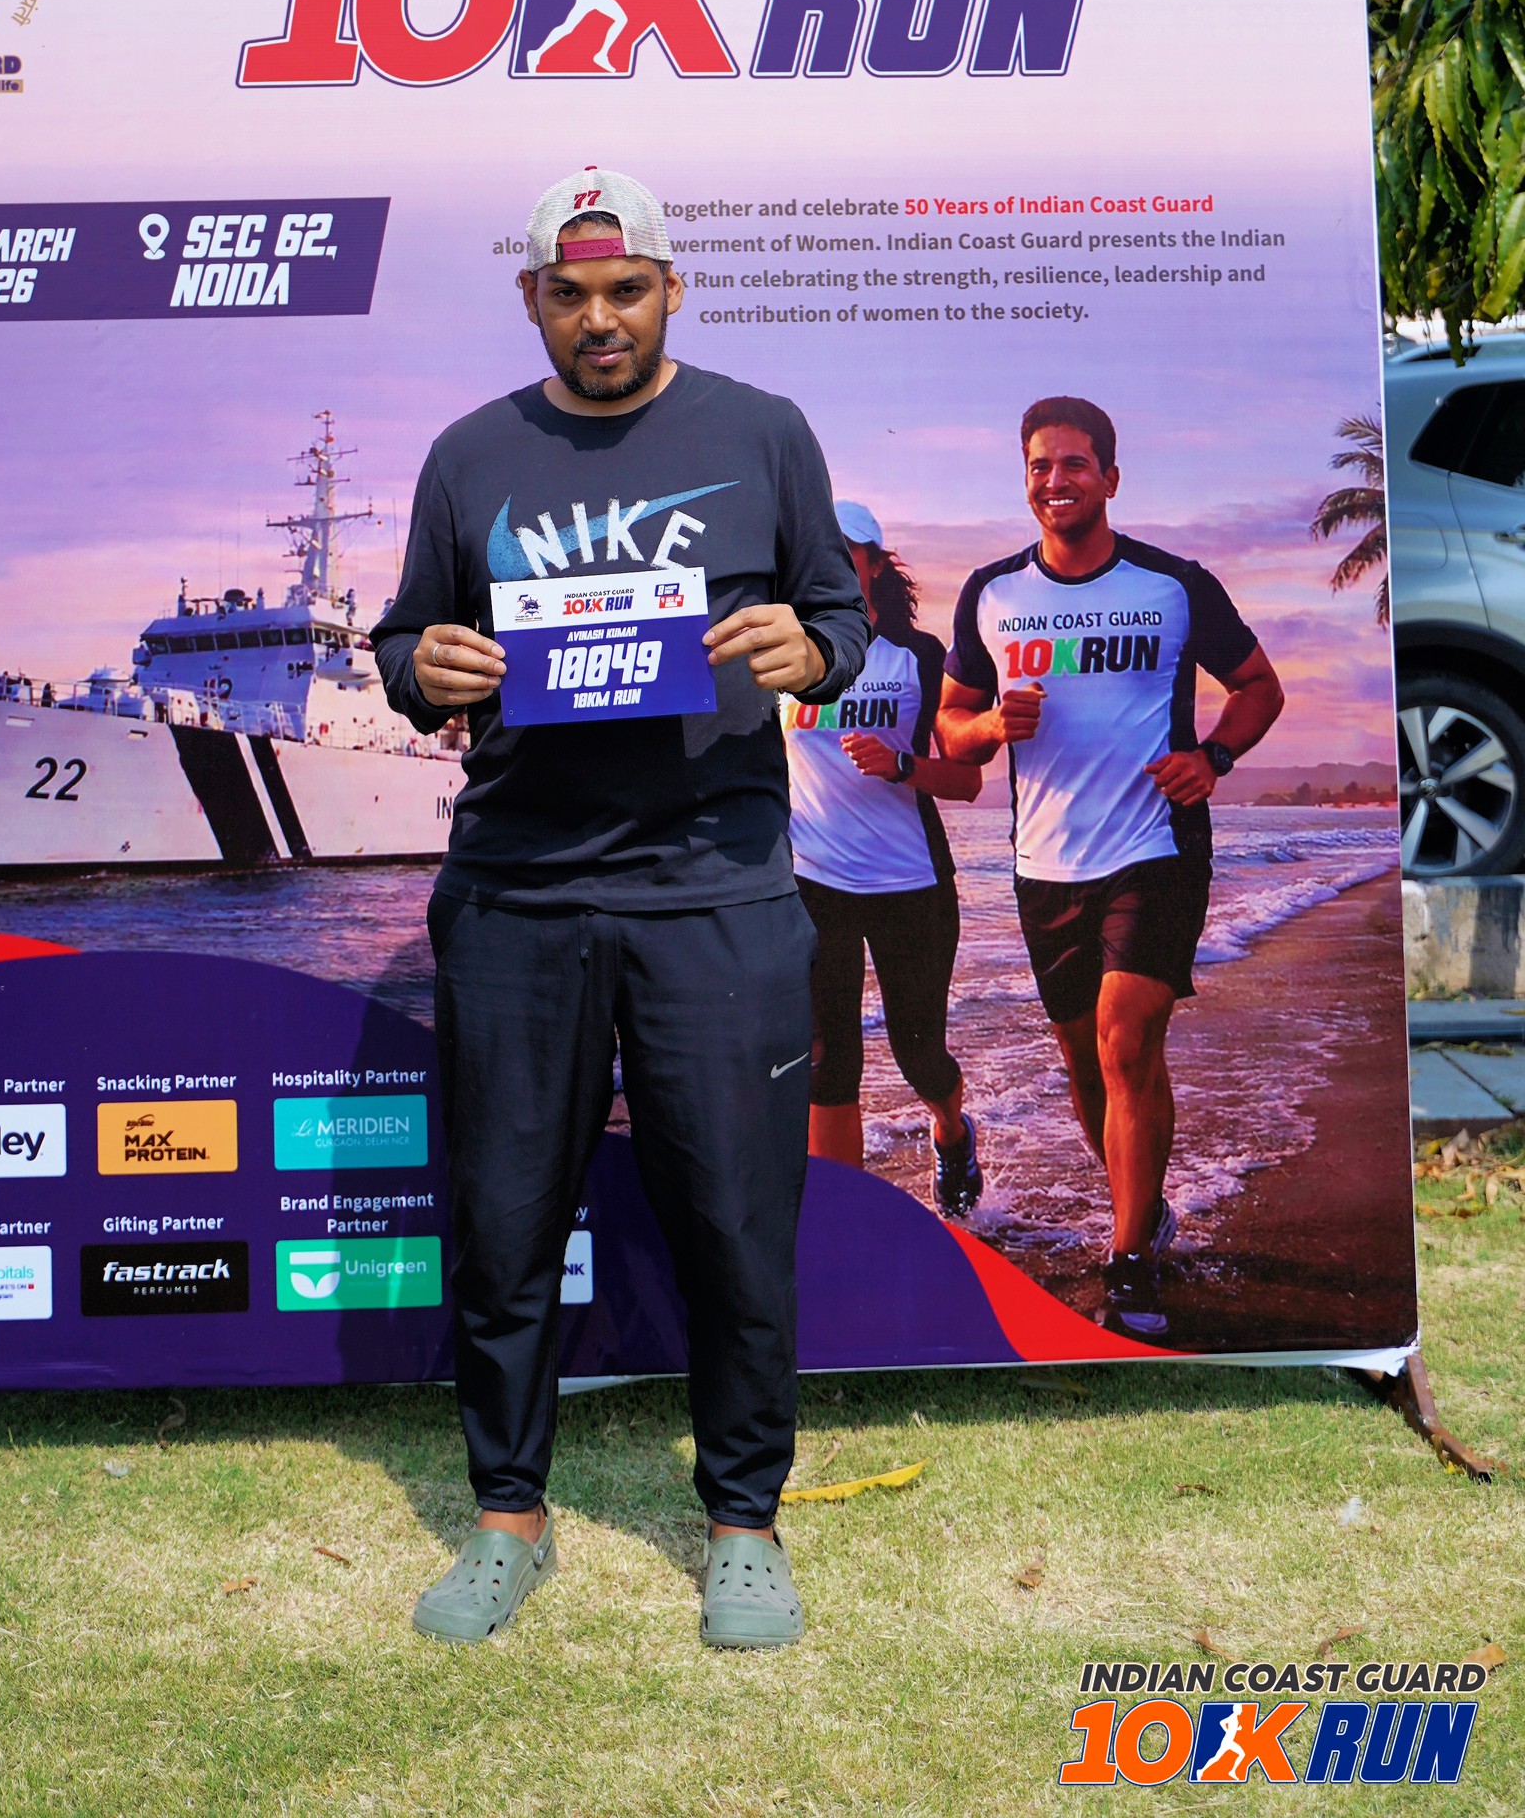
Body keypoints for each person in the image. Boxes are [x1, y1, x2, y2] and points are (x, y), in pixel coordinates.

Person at [374, 163, 869, 1649]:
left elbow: (842, 618)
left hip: (715, 890)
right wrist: (422, 668)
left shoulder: (763, 432)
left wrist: (810, 651)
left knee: (734, 1223)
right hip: (516, 894)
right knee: (504, 1220)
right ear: (532, 298)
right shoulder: (469, 456)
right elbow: (401, 645)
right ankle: (506, 1518)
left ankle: (744, 1525)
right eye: (570, 295)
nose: (600, 319)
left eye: (626, 291)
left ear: (670, 289)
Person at [935, 398, 1284, 1340]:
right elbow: (950, 731)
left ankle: (1129, 1265)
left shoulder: (1174, 585)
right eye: (1040, 466)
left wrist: (1213, 758)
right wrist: (988, 724)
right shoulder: (991, 593)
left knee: (1126, 1042)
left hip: (1155, 846)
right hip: (1043, 861)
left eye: (1075, 464)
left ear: (1111, 479)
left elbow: (1260, 687)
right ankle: (1147, 1207)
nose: (1056, 481)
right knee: (1088, 1067)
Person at [783, 501, 984, 1213]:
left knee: (920, 1055)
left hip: (911, 882)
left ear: (874, 563)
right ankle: (844, 1226)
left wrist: (901, 765)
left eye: (849, 551)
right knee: (827, 1063)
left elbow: (967, 782)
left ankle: (952, 1130)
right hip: (812, 884)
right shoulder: (781, 655)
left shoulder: (919, 656)